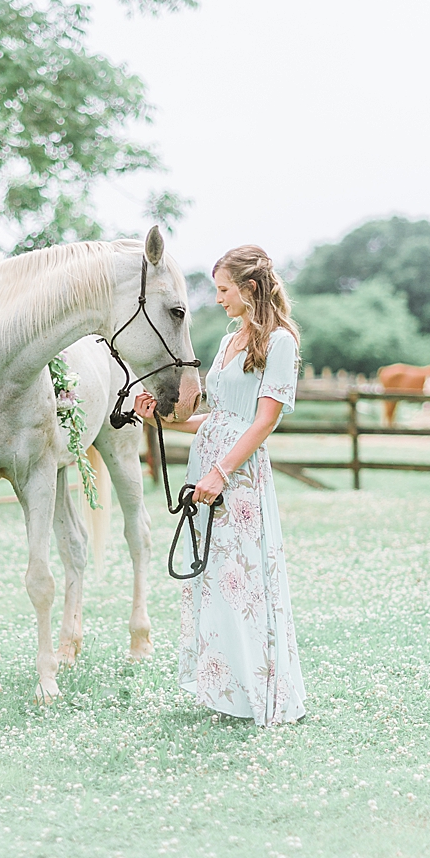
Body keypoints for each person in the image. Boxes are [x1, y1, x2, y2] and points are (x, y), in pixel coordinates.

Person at [134, 245, 306, 726]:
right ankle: (225, 689)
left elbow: (263, 421)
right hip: (207, 464)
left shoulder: (280, 342)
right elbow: (217, 417)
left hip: (238, 473)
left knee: (242, 578)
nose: (217, 299)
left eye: (224, 289)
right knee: (213, 577)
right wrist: (160, 419)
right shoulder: (231, 339)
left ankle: (259, 690)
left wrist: (221, 472)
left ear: (250, 288)